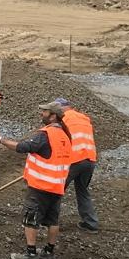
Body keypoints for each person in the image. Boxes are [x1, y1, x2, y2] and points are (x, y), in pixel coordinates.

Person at [0, 103, 72, 259]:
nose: (41, 113)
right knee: (52, 220)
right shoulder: (65, 135)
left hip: (41, 186)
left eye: (45, 111)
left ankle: (31, 253)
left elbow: (23, 147)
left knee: (31, 218)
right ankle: (49, 251)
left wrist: (0, 139)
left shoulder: (45, 135)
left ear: (53, 116)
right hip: (57, 185)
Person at [53, 96, 99, 232]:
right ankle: (91, 223)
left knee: (56, 191)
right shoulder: (84, 118)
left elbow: (59, 140)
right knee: (83, 190)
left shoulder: (63, 119)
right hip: (90, 159)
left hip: (73, 160)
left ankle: (50, 221)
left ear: (60, 108)